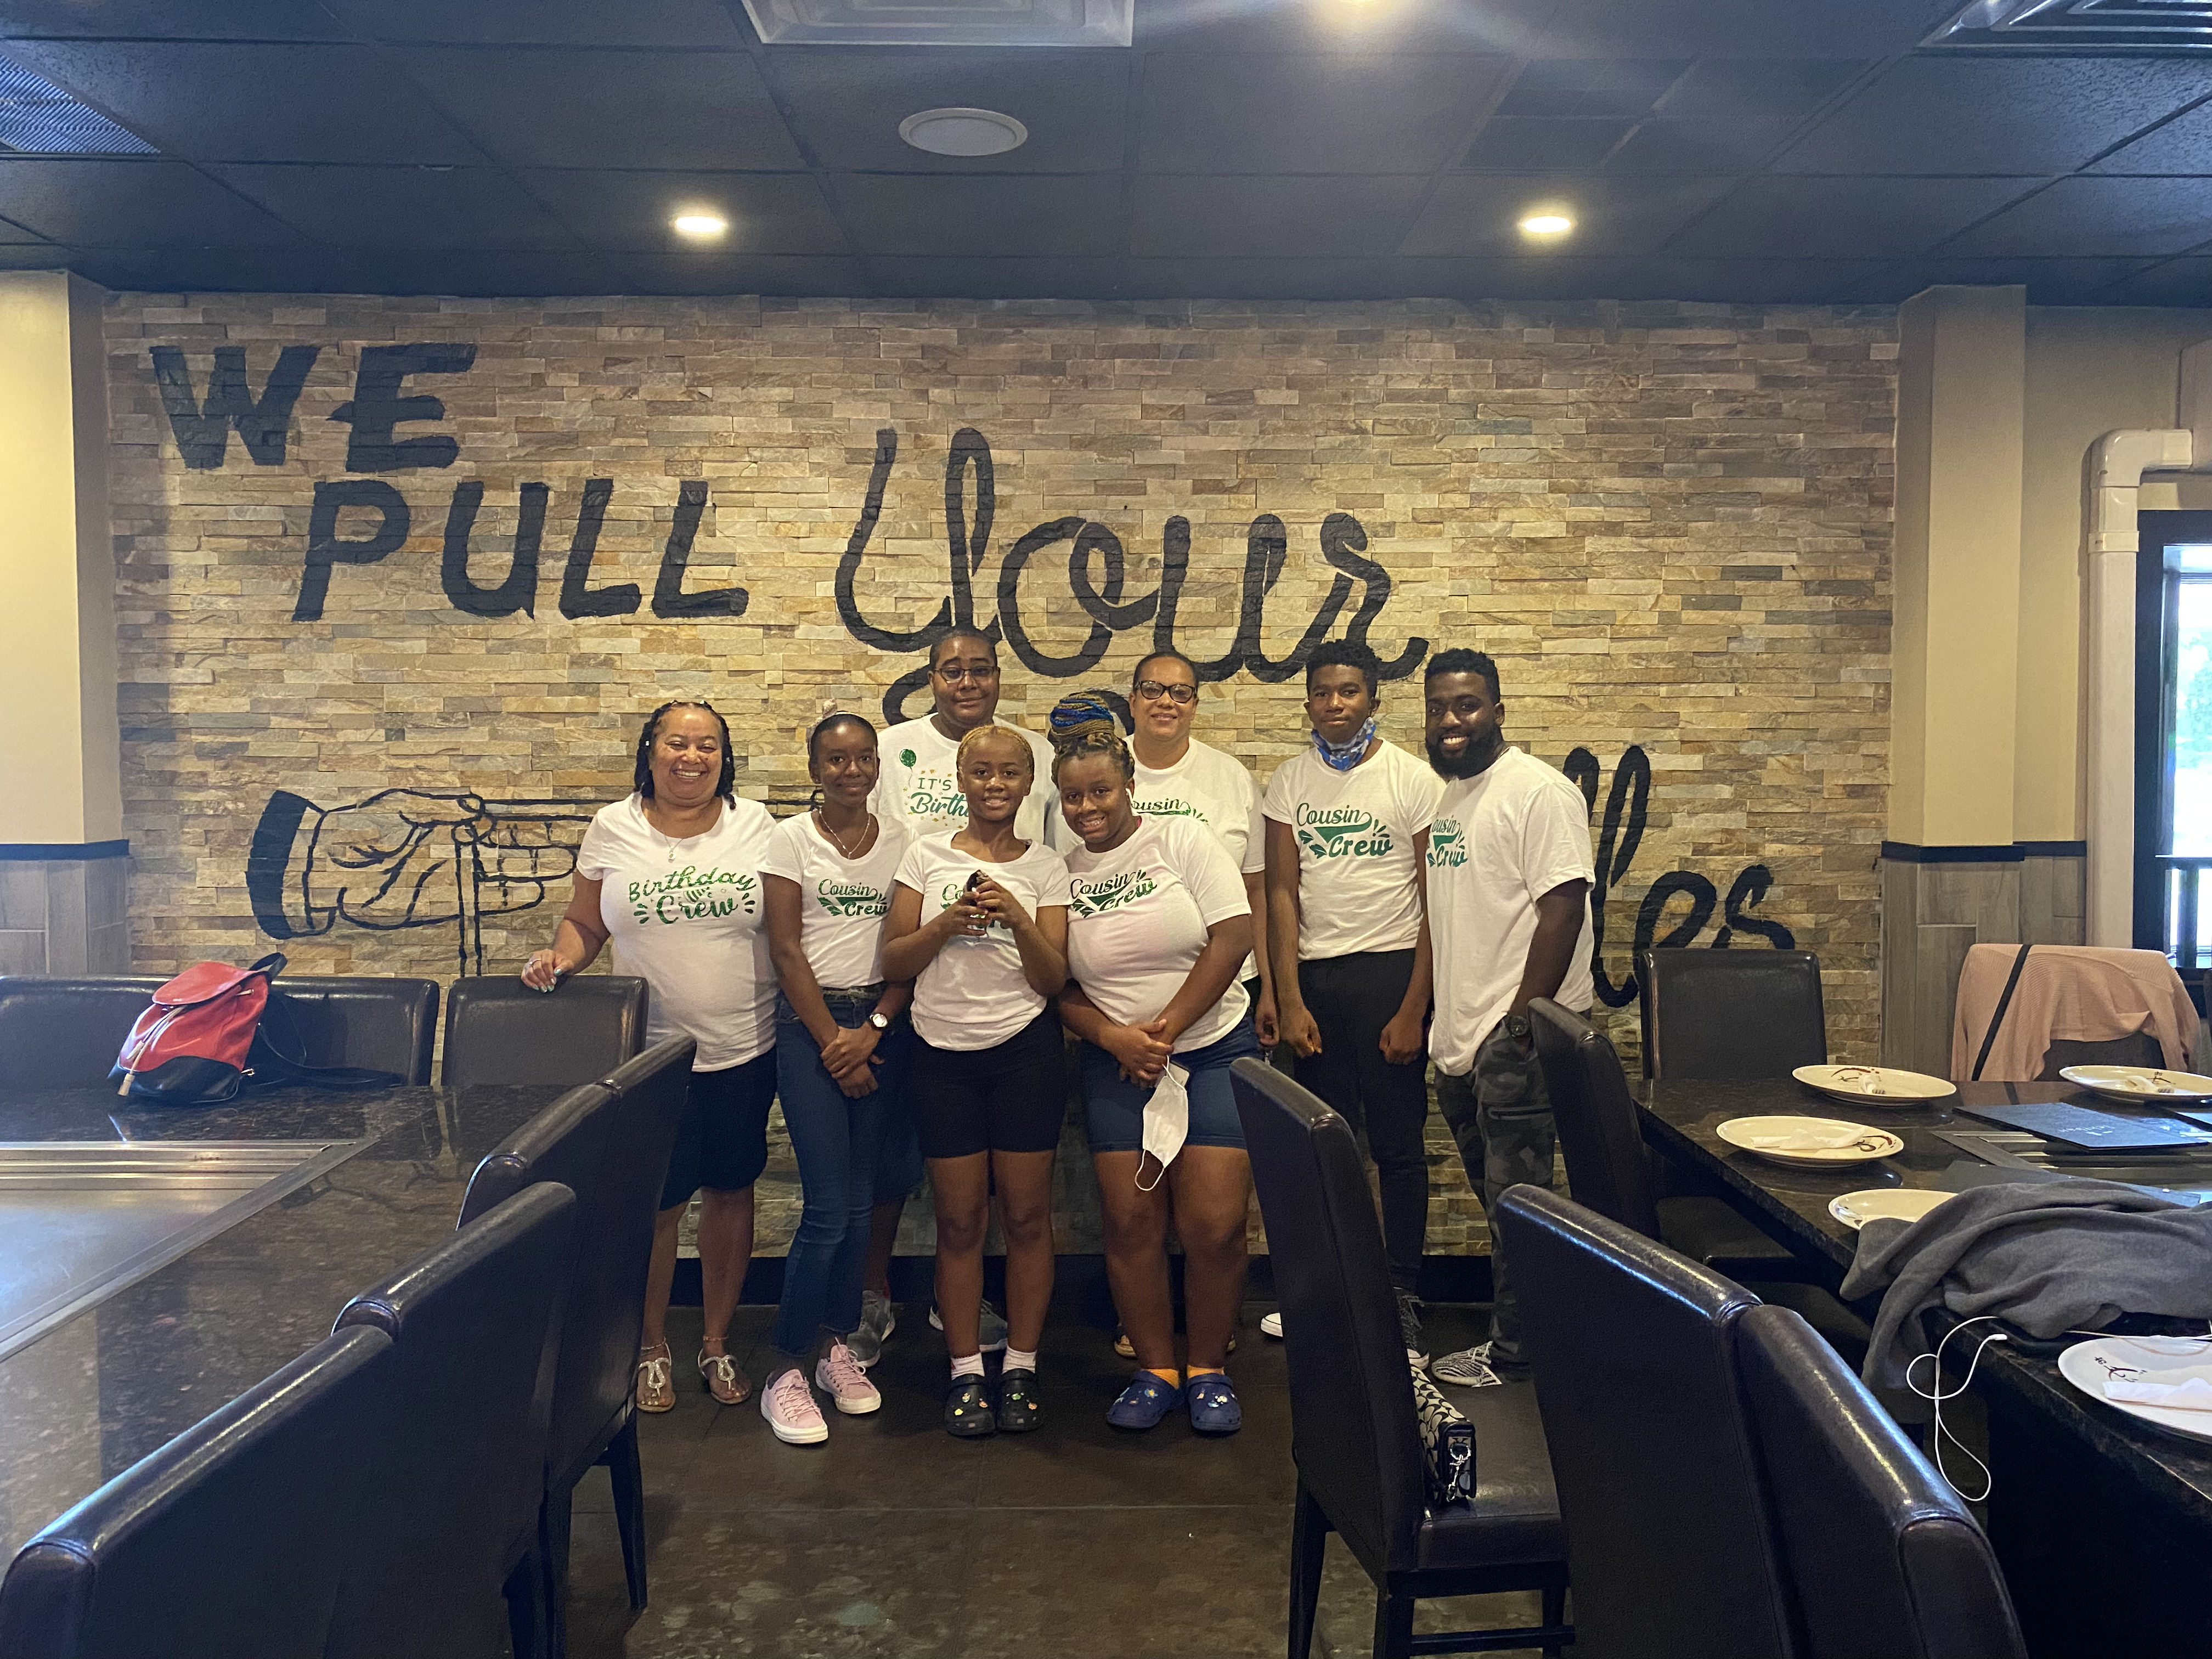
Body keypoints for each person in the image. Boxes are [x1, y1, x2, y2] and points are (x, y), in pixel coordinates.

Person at [522, 699, 776, 1412]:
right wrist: (560, 958)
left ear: (725, 757)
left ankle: (717, 1341)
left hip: (743, 1048)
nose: (692, 757)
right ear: (651, 751)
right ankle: (649, 1345)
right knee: (657, 1205)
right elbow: (584, 922)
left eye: (708, 745)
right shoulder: (614, 826)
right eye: (677, 743)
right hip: (649, 1058)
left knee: (731, 1191)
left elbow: (790, 925)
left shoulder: (758, 826)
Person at [1052, 691, 1259, 1434]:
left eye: (1100, 791)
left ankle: (1208, 1371)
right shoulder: (1060, 875)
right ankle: (1155, 1369)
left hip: (1213, 1051)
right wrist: (1116, 1040)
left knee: (1214, 1227)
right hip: (1118, 1065)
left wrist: (1164, 1030)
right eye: (1073, 797)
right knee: (1132, 1224)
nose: (1087, 808)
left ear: (1129, 784)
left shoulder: (1182, 840)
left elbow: (1234, 935)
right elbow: (1057, 986)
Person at [855, 627, 1056, 1363]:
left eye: (980, 670)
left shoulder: (1039, 781)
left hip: (1018, 1026)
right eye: (951, 670)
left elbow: (1054, 948)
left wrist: (1018, 917)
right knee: (910, 1175)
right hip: (923, 1008)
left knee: (1018, 1204)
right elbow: (892, 919)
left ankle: (987, 1332)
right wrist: (941, 925)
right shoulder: (896, 757)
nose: (967, 682)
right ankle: (879, 1303)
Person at [882, 723, 1071, 1438]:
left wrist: (1018, 916)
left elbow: (1053, 978)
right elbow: (894, 960)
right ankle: (965, 1371)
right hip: (940, 1054)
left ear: (1029, 782)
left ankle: (1020, 1365)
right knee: (960, 1221)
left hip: (1026, 1053)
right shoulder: (924, 856)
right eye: (982, 772)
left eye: (1010, 773)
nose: (996, 784)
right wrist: (947, 925)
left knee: (1026, 1217)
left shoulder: (1047, 866)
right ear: (960, 779)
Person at [1261, 639, 1443, 1363]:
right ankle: (1333, 1292)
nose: (1334, 704)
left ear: (1373, 699)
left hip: (1392, 978)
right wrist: (1289, 996)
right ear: (1308, 701)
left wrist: (1414, 1008)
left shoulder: (1413, 780)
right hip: (1318, 984)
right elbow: (1282, 892)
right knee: (1325, 1145)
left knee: (1397, 1148)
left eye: (1349, 692)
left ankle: (1400, 1297)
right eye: (1322, 692)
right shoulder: (1289, 781)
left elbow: (1437, 901)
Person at [1417, 650, 1595, 1389]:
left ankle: (1522, 1352)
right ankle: (1535, 1334)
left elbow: (1564, 907)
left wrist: (1521, 1023)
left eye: (1466, 705)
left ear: (1497, 709)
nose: (1450, 720)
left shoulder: (1539, 792)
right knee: (1502, 1205)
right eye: (1438, 707)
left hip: (1515, 1038)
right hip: (1464, 1039)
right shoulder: (1451, 798)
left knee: (1519, 1206)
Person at [756, 712, 911, 1443]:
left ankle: (833, 1349)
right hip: (810, 1027)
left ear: (878, 765)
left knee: (858, 1205)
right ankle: (784, 1369)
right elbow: (786, 950)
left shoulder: (905, 842)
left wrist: (872, 1030)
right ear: (816, 769)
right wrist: (833, 1046)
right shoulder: (789, 840)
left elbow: (909, 950)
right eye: (837, 760)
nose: (853, 771)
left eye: (864, 758)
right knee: (825, 1209)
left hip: (879, 1025)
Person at [1126, 648, 1277, 1047]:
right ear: (1133, 701)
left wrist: (1269, 986)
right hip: (1125, 995)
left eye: (1180, 692)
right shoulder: (1102, 774)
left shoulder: (1232, 778)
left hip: (1230, 988)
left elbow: (1255, 890)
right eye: (1152, 689)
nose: (1165, 702)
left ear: (1194, 706)